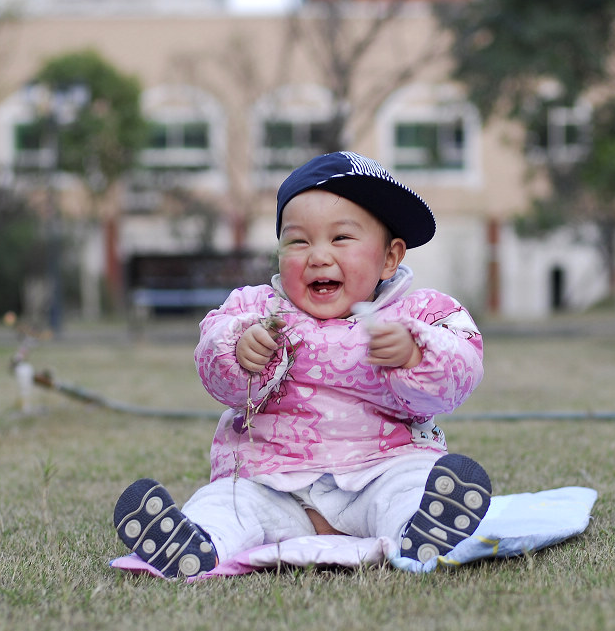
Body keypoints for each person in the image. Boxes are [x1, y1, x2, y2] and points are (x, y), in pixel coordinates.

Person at [113, 151, 491, 578]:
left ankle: (420, 531)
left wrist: (417, 354)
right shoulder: (255, 309)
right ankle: (197, 542)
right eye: (298, 241)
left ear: (389, 257)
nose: (318, 256)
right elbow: (215, 369)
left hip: (380, 469)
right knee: (229, 501)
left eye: (341, 239)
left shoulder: (419, 314)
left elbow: (462, 370)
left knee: (411, 486)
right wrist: (240, 353)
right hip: (272, 481)